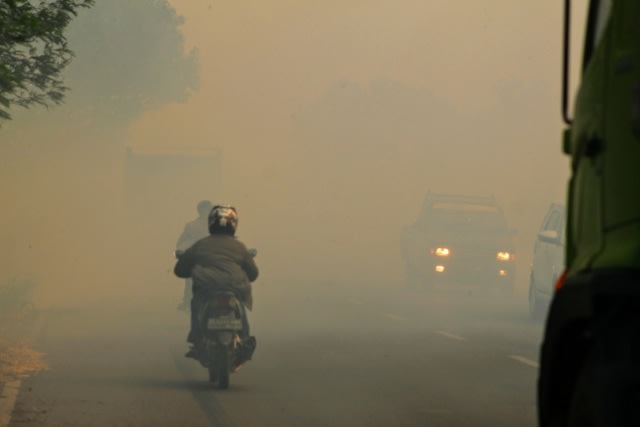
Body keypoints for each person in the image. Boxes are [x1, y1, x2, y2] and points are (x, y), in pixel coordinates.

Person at [173, 205, 259, 360]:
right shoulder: (239, 247)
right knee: (240, 307)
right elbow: (253, 273)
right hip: (234, 287)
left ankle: (196, 338)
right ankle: (245, 338)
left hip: (207, 287)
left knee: (195, 304)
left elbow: (180, 269)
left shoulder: (200, 243)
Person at [175, 200, 213, 311]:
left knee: (190, 279)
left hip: (198, 259)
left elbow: (180, 242)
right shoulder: (218, 225)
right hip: (212, 259)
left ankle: (186, 302)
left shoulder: (191, 225)